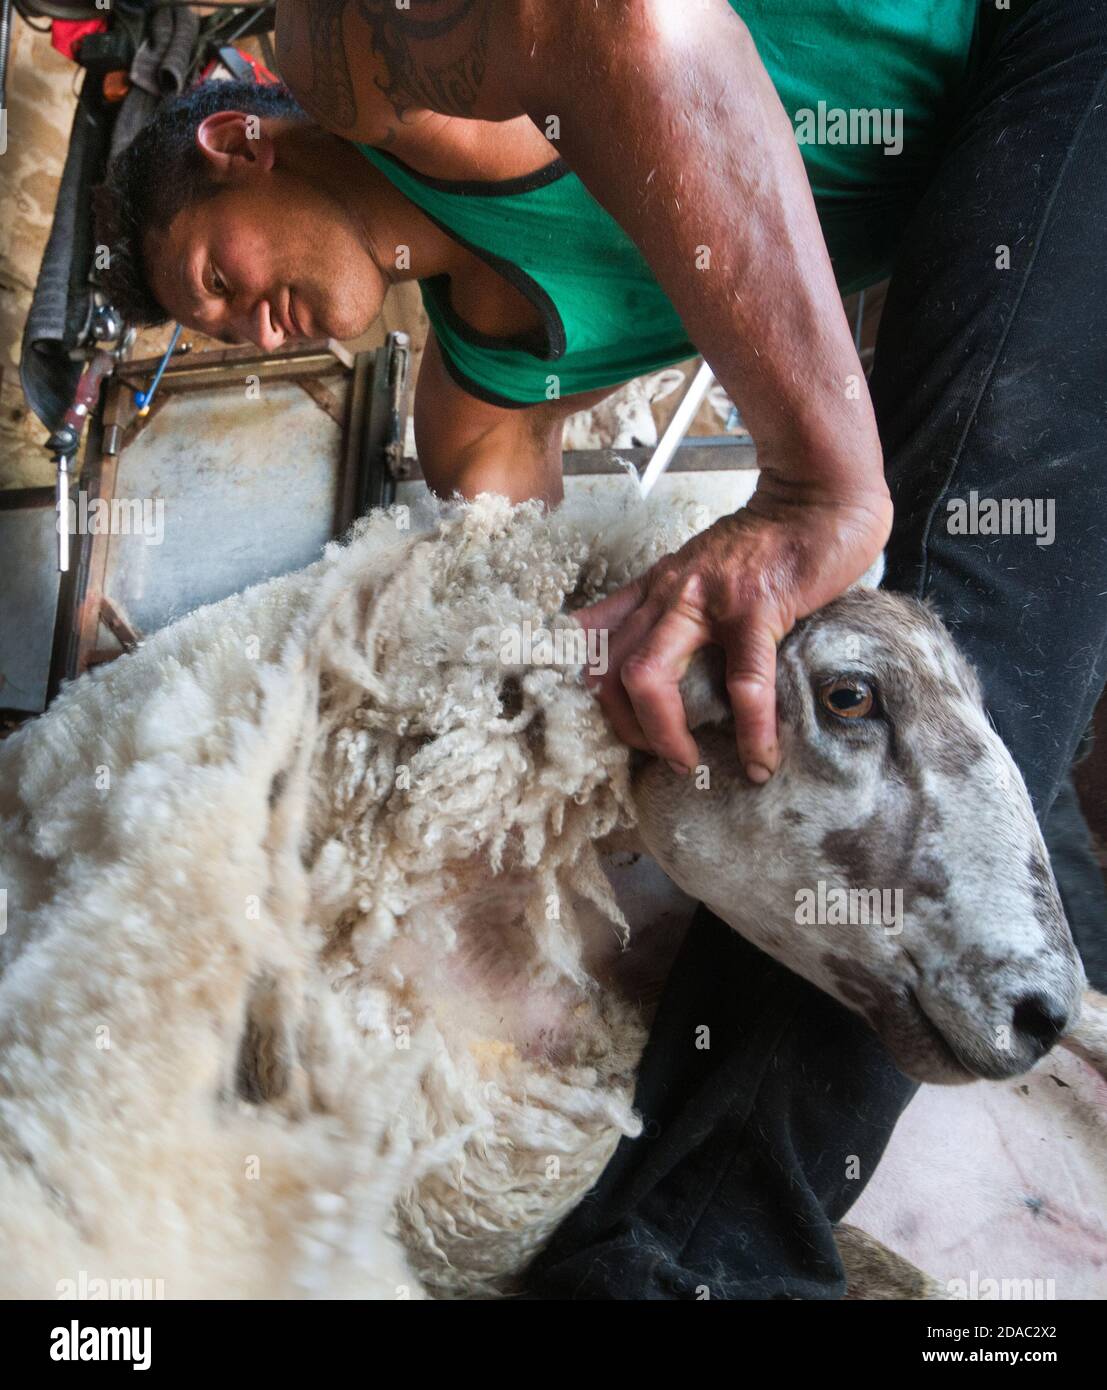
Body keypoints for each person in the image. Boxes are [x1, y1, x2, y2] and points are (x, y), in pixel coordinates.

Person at [93, 0, 1107, 1297]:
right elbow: (501, 654)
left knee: (951, 577)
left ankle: (703, 1259)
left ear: (239, 142)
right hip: (971, 190)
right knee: (829, 668)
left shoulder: (349, 59)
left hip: (1040, 40)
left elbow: (630, 28)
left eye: (214, 278)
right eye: (228, 333)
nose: (257, 323)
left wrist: (815, 480)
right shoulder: (483, 400)